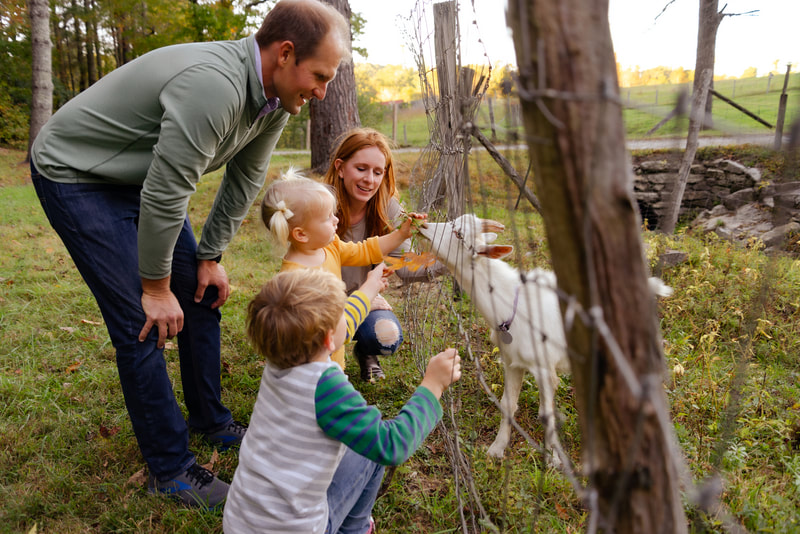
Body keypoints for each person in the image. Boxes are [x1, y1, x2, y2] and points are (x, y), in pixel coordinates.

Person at [29, 0, 351, 509]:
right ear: (285, 54)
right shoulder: (215, 86)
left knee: (204, 291)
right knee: (141, 320)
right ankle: (171, 470)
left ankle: (212, 420)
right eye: (319, 75)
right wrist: (155, 288)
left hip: (142, 178)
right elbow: (166, 193)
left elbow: (244, 177)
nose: (322, 91)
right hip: (78, 174)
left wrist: (210, 254)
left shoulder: (274, 99)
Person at [222, 268, 461, 533]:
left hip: (240, 522)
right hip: (295, 528)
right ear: (328, 338)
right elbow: (392, 445)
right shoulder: (324, 386)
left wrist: (369, 287)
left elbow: (341, 322)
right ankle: (356, 529)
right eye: (341, 313)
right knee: (369, 454)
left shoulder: (283, 353)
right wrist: (433, 385)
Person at [259, 170, 426, 370]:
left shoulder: (329, 246)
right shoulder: (295, 280)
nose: (336, 220)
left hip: (333, 361)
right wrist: (368, 292)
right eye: (328, 217)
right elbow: (335, 325)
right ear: (301, 234)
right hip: (312, 370)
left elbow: (364, 250)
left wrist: (400, 235)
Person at [323, 128, 446, 382]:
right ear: (340, 167)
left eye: (378, 172)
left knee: (386, 336)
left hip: (364, 301)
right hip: (320, 304)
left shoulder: (387, 207)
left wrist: (451, 260)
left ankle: (366, 352)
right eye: (361, 169)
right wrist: (356, 297)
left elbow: (405, 265)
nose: (370, 179)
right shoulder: (319, 204)